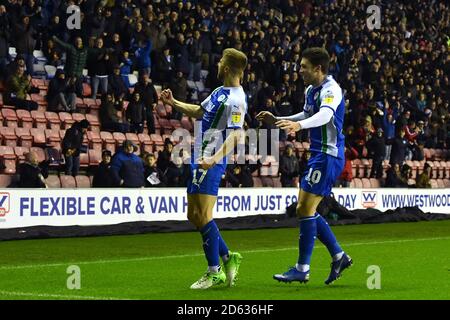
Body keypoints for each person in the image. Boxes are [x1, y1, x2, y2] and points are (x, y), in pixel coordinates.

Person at [257, 47, 352, 285]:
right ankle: (339, 256)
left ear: (318, 69)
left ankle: (302, 268)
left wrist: (299, 127)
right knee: (304, 209)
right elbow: (307, 113)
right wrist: (280, 120)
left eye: (304, 66)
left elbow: (325, 116)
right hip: (317, 154)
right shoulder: (312, 90)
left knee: (305, 209)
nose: (299, 71)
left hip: (328, 155)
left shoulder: (332, 89)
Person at [160, 48, 248, 289]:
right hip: (200, 157)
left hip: (211, 159)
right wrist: (173, 102)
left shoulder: (237, 100)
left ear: (228, 68)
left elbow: (238, 135)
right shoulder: (220, 92)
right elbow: (200, 111)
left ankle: (214, 271)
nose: (217, 63)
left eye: (221, 61)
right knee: (194, 215)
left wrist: (214, 158)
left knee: (203, 215)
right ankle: (229, 257)